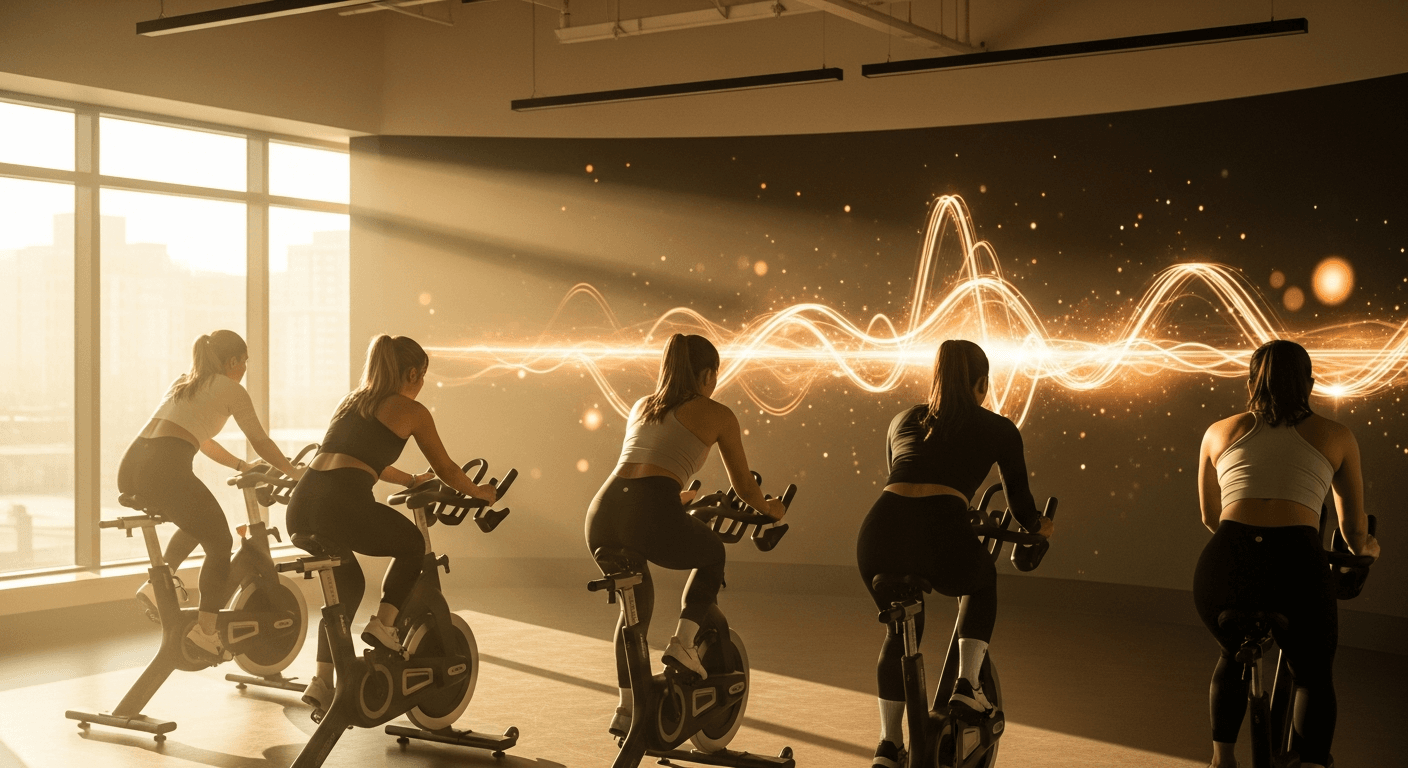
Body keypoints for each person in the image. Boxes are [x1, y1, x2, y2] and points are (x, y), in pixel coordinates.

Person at [857, 339, 1053, 768]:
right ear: (982, 384)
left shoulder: (902, 418)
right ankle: (967, 684)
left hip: (879, 534)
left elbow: (907, 477)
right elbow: (1022, 511)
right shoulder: (999, 428)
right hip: (941, 529)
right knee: (982, 580)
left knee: (900, 629)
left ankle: (889, 747)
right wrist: (1043, 527)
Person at [585, 333, 786, 738]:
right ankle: (683, 644)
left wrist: (678, 497)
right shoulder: (718, 413)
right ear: (708, 374)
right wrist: (771, 508)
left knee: (634, 613)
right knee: (712, 553)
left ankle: (628, 710)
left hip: (604, 513)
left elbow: (643, 469)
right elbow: (746, 488)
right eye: (716, 375)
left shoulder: (643, 405)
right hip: (651, 510)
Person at [287, 334, 498, 715]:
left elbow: (362, 458)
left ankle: (321, 680)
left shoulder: (353, 401)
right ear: (413, 373)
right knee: (412, 543)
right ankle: (384, 624)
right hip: (342, 502)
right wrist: (478, 491)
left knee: (346, 584)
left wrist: (410, 481)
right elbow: (447, 469)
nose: (422, 385)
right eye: (423, 377)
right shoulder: (412, 410)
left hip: (303, 504)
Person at [1193, 339, 1380, 768]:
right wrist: (1369, 547)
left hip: (1224, 561)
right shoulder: (1337, 435)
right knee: (1313, 673)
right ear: (1310, 383)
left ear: (1250, 382)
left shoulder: (1218, 432)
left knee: (1230, 654)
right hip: (1296, 563)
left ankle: (1222, 759)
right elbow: (1353, 532)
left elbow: (1210, 517)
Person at [118, 330, 306, 658]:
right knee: (220, 541)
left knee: (198, 520)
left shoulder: (185, 382)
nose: (245, 368)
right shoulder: (231, 388)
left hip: (133, 467)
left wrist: (241, 465)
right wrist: (294, 473)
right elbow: (261, 440)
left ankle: (155, 586)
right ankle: (206, 633)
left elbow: (202, 440)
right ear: (232, 361)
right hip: (164, 467)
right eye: (244, 362)